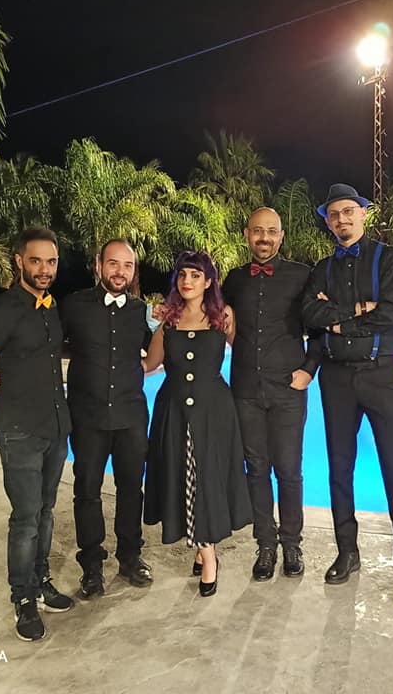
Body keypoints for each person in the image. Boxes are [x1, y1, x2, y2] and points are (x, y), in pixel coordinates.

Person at [301, 184, 393, 606]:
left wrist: (336, 319)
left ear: (363, 214)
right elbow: (310, 314)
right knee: (339, 468)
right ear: (328, 221)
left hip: (380, 375)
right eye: (334, 214)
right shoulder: (321, 269)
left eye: (348, 211)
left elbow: (391, 313)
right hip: (335, 378)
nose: (342, 219)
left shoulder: (390, 259)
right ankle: (347, 553)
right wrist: (358, 309)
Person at [0, 228, 75, 642]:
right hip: (21, 433)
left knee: (46, 511)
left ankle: (41, 582)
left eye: (51, 261)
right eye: (36, 261)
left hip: (55, 427)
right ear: (18, 262)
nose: (44, 269)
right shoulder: (1, 311)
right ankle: (23, 597)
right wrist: (3, 418)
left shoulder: (52, 308)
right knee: (26, 519)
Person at [143, 251, 251, 597]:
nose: (187, 281)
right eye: (182, 275)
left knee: (205, 477)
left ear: (208, 282)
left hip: (214, 410)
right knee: (183, 475)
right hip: (173, 409)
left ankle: (208, 558)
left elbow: (248, 352)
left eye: (195, 275)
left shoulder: (223, 315)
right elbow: (149, 364)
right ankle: (202, 544)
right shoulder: (169, 319)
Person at [222, 207, 322, 581]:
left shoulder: (302, 276)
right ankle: (265, 545)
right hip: (246, 390)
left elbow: (319, 326)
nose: (264, 238)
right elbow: (214, 316)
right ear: (246, 234)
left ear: (281, 236)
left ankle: (292, 543)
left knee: (289, 470)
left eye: (271, 231)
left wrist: (308, 370)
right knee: (257, 470)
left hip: (287, 391)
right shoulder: (233, 280)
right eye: (257, 231)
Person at [60, 239, 154, 599]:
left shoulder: (139, 310)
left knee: (131, 489)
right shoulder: (74, 305)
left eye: (127, 266)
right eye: (113, 264)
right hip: (88, 417)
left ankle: (130, 557)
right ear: (99, 265)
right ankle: (92, 566)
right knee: (87, 492)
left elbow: (160, 347)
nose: (120, 272)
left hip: (131, 415)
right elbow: (45, 343)